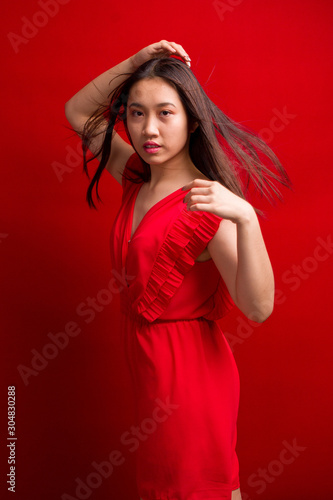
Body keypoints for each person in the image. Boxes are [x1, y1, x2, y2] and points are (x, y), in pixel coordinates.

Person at [64, 40, 292, 500]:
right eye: (136, 112)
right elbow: (76, 112)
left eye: (165, 113)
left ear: (191, 118)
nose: (149, 129)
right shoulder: (135, 177)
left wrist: (245, 218)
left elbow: (259, 308)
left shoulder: (206, 203)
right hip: (150, 380)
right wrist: (135, 64)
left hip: (191, 384)